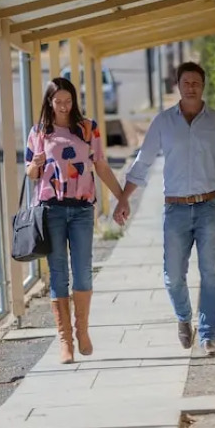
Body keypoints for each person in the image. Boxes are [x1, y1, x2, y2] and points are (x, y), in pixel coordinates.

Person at [113, 61, 215, 355]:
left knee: (211, 273)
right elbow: (142, 163)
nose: (191, 87)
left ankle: (209, 336)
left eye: (196, 82)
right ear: (178, 86)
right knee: (173, 276)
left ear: (203, 85)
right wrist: (124, 199)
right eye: (186, 83)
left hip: (210, 206)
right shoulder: (163, 122)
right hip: (176, 210)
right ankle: (185, 318)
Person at [25, 77, 125, 364]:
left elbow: (101, 165)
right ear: (49, 102)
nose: (64, 107)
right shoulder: (39, 132)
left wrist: (121, 196)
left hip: (81, 210)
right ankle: (64, 341)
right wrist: (36, 164)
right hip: (51, 209)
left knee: (82, 271)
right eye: (58, 102)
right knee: (58, 274)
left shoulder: (87, 128)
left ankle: (82, 331)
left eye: (68, 101)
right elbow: (30, 172)